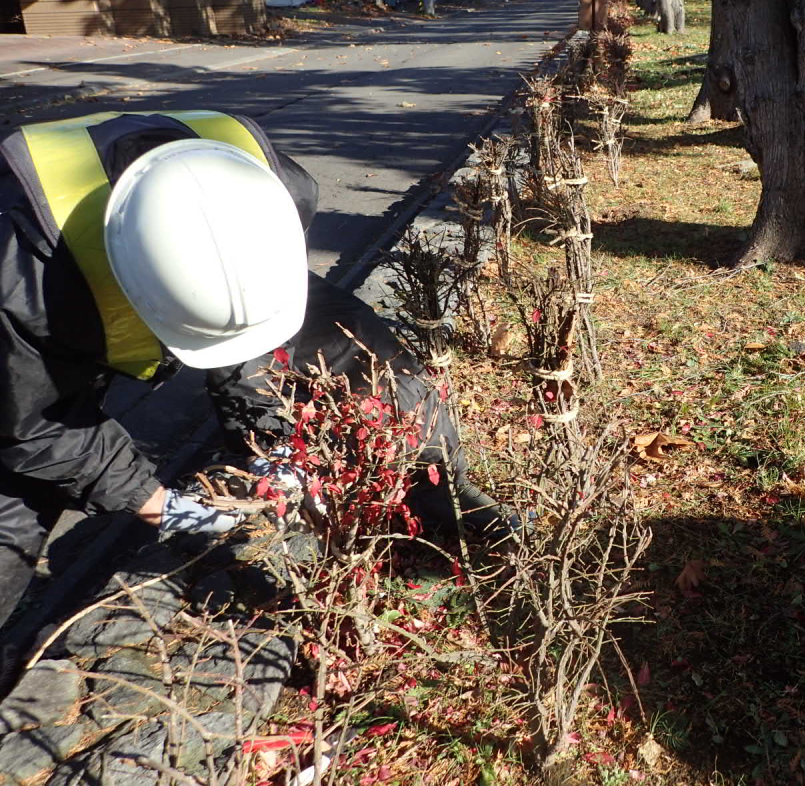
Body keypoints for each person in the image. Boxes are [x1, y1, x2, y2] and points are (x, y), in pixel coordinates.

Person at [0, 110, 505, 635]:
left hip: (202, 267)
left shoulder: (272, 186)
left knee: (362, 356)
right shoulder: (16, 278)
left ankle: (439, 492)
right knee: (14, 503)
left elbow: (258, 327)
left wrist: (276, 446)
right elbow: (33, 425)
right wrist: (153, 503)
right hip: (42, 309)